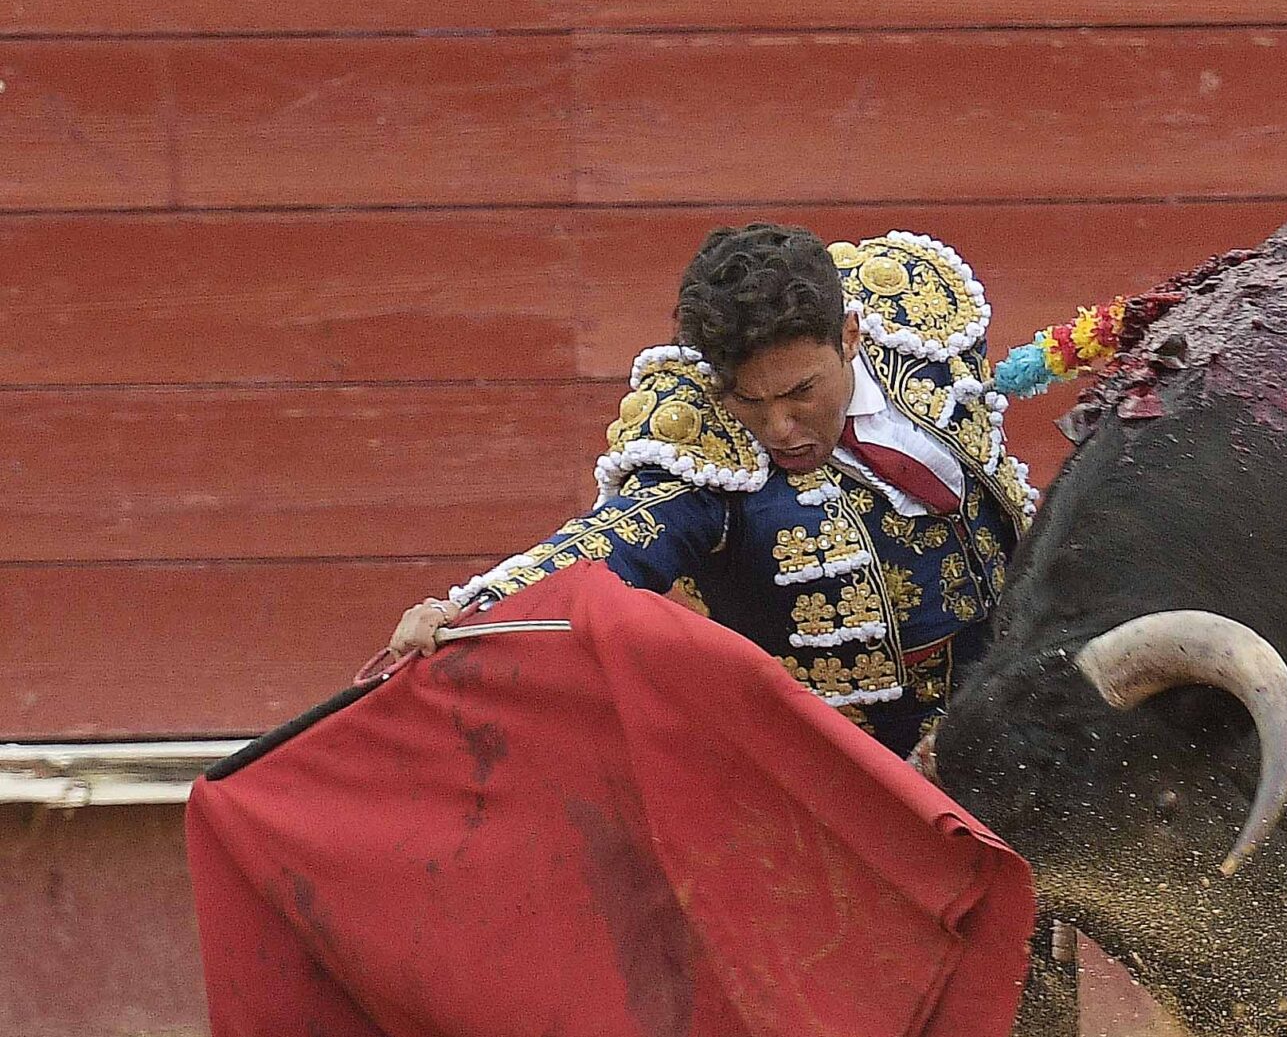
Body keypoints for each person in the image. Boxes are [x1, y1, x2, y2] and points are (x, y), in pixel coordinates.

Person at [386, 224, 1033, 759]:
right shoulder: (703, 459)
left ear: (851, 337)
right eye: (750, 401)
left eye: (802, 392)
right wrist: (472, 609)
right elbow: (608, 543)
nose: (780, 428)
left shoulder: (914, 321)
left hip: (1020, 684)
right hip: (863, 771)